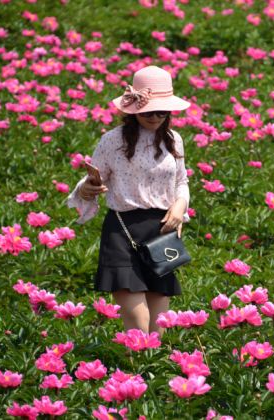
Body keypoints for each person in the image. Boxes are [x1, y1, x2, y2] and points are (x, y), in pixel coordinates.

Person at [67, 66, 191, 335]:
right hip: (122, 230)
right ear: (133, 109)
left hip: (161, 231)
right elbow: (91, 178)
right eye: (149, 111)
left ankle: (149, 374)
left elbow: (182, 182)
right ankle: (132, 375)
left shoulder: (173, 140)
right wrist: (88, 188)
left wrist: (180, 207)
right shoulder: (112, 140)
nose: (156, 117)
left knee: (160, 326)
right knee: (138, 321)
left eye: (162, 111)